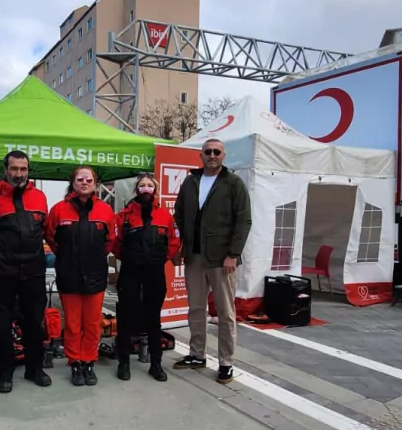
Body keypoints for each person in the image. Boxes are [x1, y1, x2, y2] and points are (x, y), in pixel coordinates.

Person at [172, 138, 252, 384]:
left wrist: (233, 254)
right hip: (194, 256)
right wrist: (180, 247)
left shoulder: (233, 183)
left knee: (225, 312)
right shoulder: (190, 181)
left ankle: (226, 361)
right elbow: (179, 215)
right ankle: (197, 354)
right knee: (196, 308)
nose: (212, 155)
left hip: (221, 258)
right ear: (201, 155)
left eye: (217, 151)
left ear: (224, 155)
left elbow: (244, 221)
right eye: (208, 151)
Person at [0, 150, 52, 393]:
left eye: (23, 169)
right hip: (2, 273)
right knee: (2, 325)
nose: (19, 174)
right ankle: (4, 372)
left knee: (34, 324)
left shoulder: (39, 197)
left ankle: (34, 369)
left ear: (29, 171)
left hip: (33, 272)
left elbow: (45, 230)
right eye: (14, 169)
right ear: (5, 170)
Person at [45, 166, 115, 386]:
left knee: (93, 323)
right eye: (80, 179)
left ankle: (89, 361)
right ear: (72, 182)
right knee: (74, 324)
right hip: (69, 275)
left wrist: (92, 257)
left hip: (95, 274)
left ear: (95, 184)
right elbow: (51, 238)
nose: (84, 182)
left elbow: (109, 241)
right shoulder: (58, 210)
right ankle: (75, 363)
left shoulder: (105, 210)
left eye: (89, 179)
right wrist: (67, 258)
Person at [112, 173, 180, 382]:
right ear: (136, 189)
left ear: (155, 190)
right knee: (125, 318)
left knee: (153, 319)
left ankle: (156, 364)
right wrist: (129, 258)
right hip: (130, 271)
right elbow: (114, 242)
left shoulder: (165, 216)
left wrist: (158, 258)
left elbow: (174, 242)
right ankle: (124, 363)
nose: (146, 188)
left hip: (154, 272)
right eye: (142, 185)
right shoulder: (124, 215)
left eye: (150, 185)